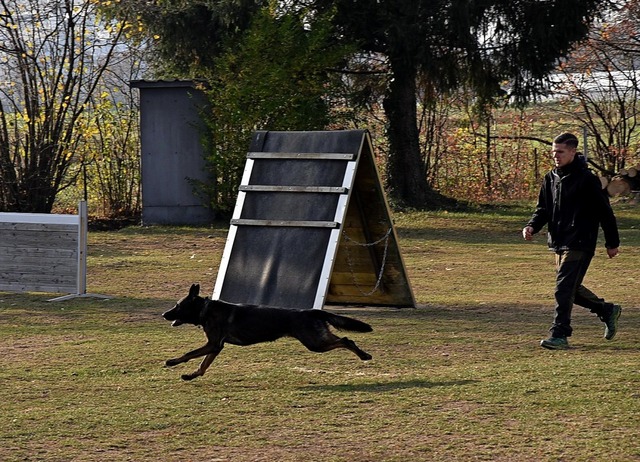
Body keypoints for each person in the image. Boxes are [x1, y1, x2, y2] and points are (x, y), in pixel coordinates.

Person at [522, 132, 621, 350]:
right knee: (570, 289)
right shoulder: (550, 178)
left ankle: (559, 335)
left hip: (581, 241)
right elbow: (543, 209)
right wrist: (531, 226)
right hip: (559, 240)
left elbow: (605, 212)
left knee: (563, 288)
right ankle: (606, 310)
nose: (555, 156)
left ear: (573, 152)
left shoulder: (587, 179)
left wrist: (612, 243)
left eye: (560, 152)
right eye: (553, 152)